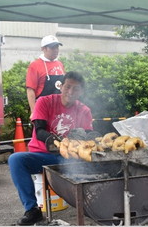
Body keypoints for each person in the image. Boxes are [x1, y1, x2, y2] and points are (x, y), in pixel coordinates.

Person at [9, 71, 93, 225]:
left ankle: (94, 206)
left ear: (81, 91)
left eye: (76, 89)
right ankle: (32, 210)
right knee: (16, 159)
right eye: (68, 87)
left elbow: (87, 136)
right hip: (43, 156)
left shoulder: (84, 110)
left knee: (94, 163)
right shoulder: (44, 101)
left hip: (69, 159)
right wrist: (53, 141)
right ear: (61, 86)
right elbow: (39, 129)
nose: (70, 92)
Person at [26, 35, 65, 118]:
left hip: (60, 109)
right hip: (43, 109)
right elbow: (30, 90)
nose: (56, 50)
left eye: (57, 47)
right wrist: (33, 111)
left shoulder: (60, 64)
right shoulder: (35, 65)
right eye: (52, 48)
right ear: (43, 49)